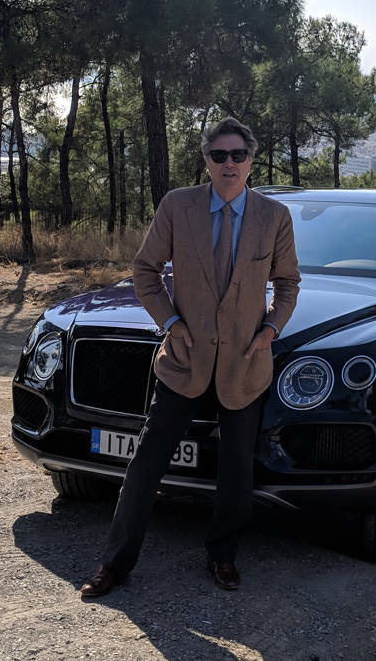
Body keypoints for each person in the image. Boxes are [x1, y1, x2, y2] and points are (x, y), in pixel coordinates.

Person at [80, 117, 300, 597]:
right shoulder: (178, 206)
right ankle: (114, 565)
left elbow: (288, 283)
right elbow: (145, 270)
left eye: (237, 155)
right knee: (145, 465)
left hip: (244, 363)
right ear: (206, 160)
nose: (228, 164)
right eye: (219, 155)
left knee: (237, 471)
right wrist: (170, 323)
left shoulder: (273, 216)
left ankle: (223, 557)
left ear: (251, 160)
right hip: (184, 360)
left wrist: (270, 330)